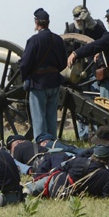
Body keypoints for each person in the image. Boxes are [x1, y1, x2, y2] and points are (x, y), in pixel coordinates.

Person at [67, 5, 109, 109]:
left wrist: (76, 53)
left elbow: (96, 45)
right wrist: (101, 55)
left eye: (108, 18)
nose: (107, 20)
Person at [20, 8, 68, 140]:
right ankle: (52, 143)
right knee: (51, 116)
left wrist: (25, 78)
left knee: (39, 118)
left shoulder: (34, 40)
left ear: (36, 22)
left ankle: (41, 145)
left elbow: (25, 63)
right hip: (54, 81)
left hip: (38, 83)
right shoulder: (58, 40)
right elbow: (64, 62)